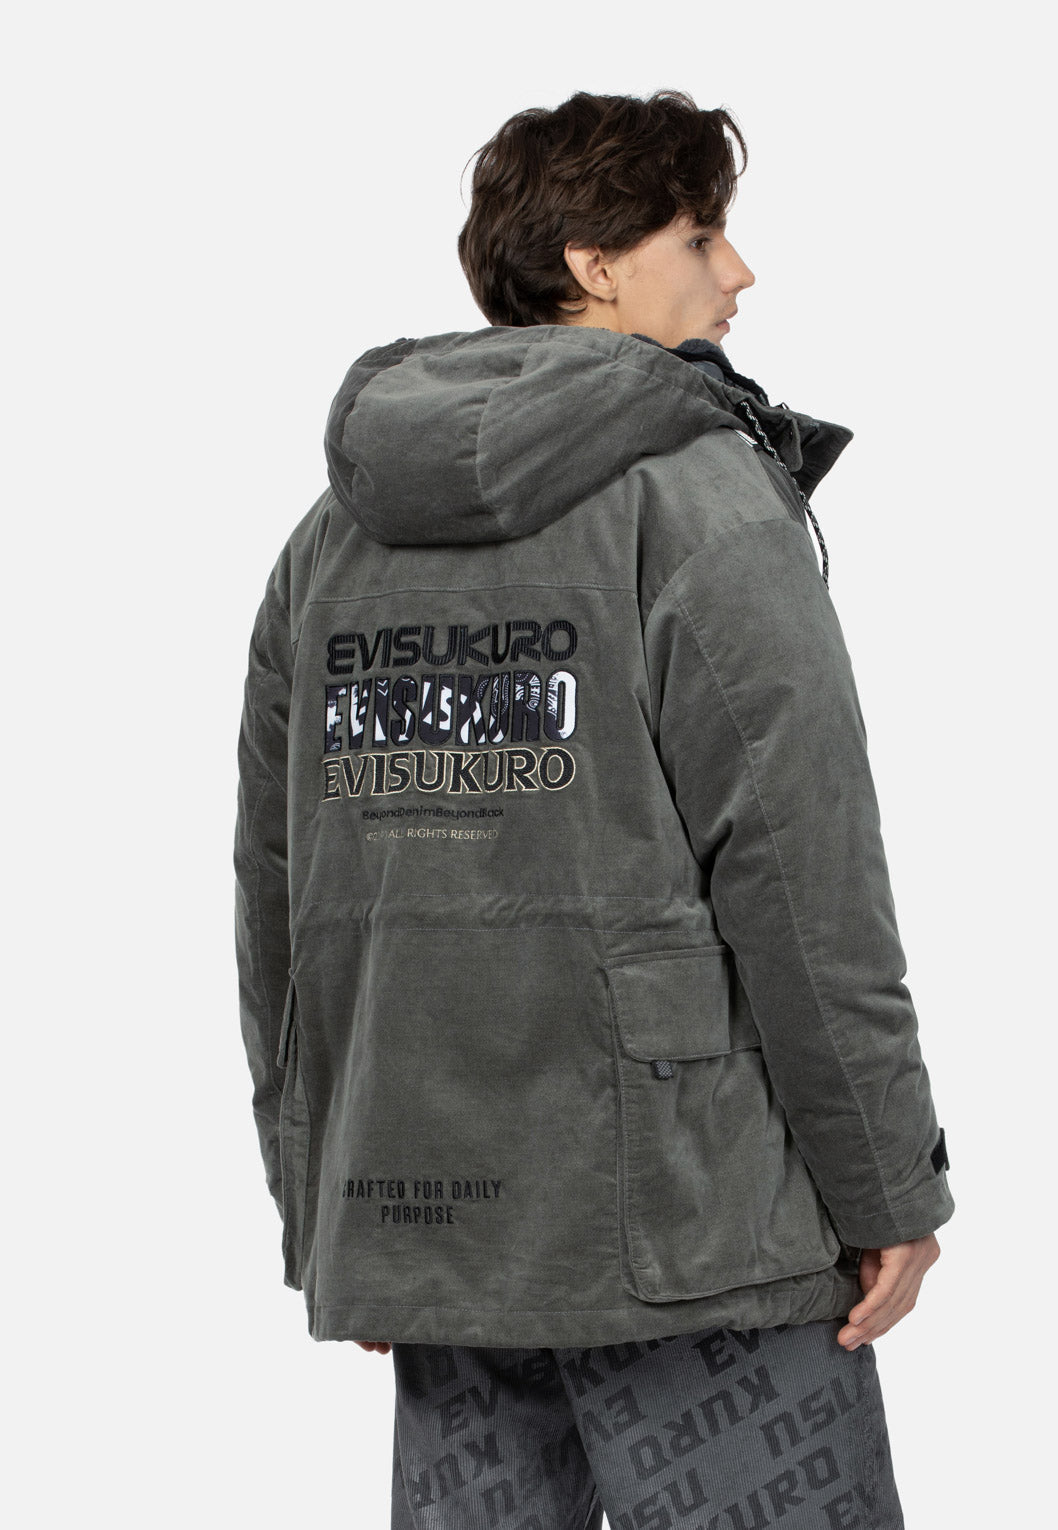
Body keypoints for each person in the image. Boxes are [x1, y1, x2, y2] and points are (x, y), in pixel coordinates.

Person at [235, 88, 955, 1529]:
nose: (738, 271)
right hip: (697, 1234)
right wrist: (890, 1189)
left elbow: (282, 903)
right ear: (594, 265)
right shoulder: (700, 504)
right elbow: (803, 878)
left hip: (443, 1222)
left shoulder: (330, 543)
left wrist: (342, 1213)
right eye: (701, 236)